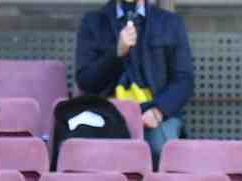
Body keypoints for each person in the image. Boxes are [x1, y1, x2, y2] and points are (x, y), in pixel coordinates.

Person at [75, 0, 195, 168]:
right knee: (90, 152)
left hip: (155, 113)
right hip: (108, 114)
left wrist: (158, 111)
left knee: (159, 147)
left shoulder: (170, 23)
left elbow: (184, 80)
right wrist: (116, 53)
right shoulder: (93, 22)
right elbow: (86, 81)